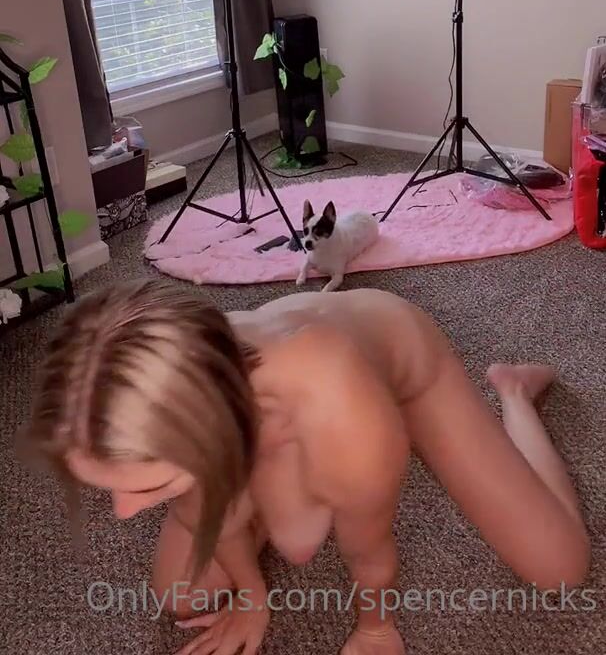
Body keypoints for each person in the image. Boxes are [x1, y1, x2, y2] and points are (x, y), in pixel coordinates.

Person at [24, 279, 590, 655]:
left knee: (561, 570)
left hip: (403, 364)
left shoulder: (340, 408)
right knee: (181, 594)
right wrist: (252, 595)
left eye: (149, 486)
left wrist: (376, 630)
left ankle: (514, 392)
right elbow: (209, 513)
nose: (123, 514)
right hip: (260, 406)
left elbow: (367, 552)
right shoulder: (180, 389)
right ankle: (249, 482)